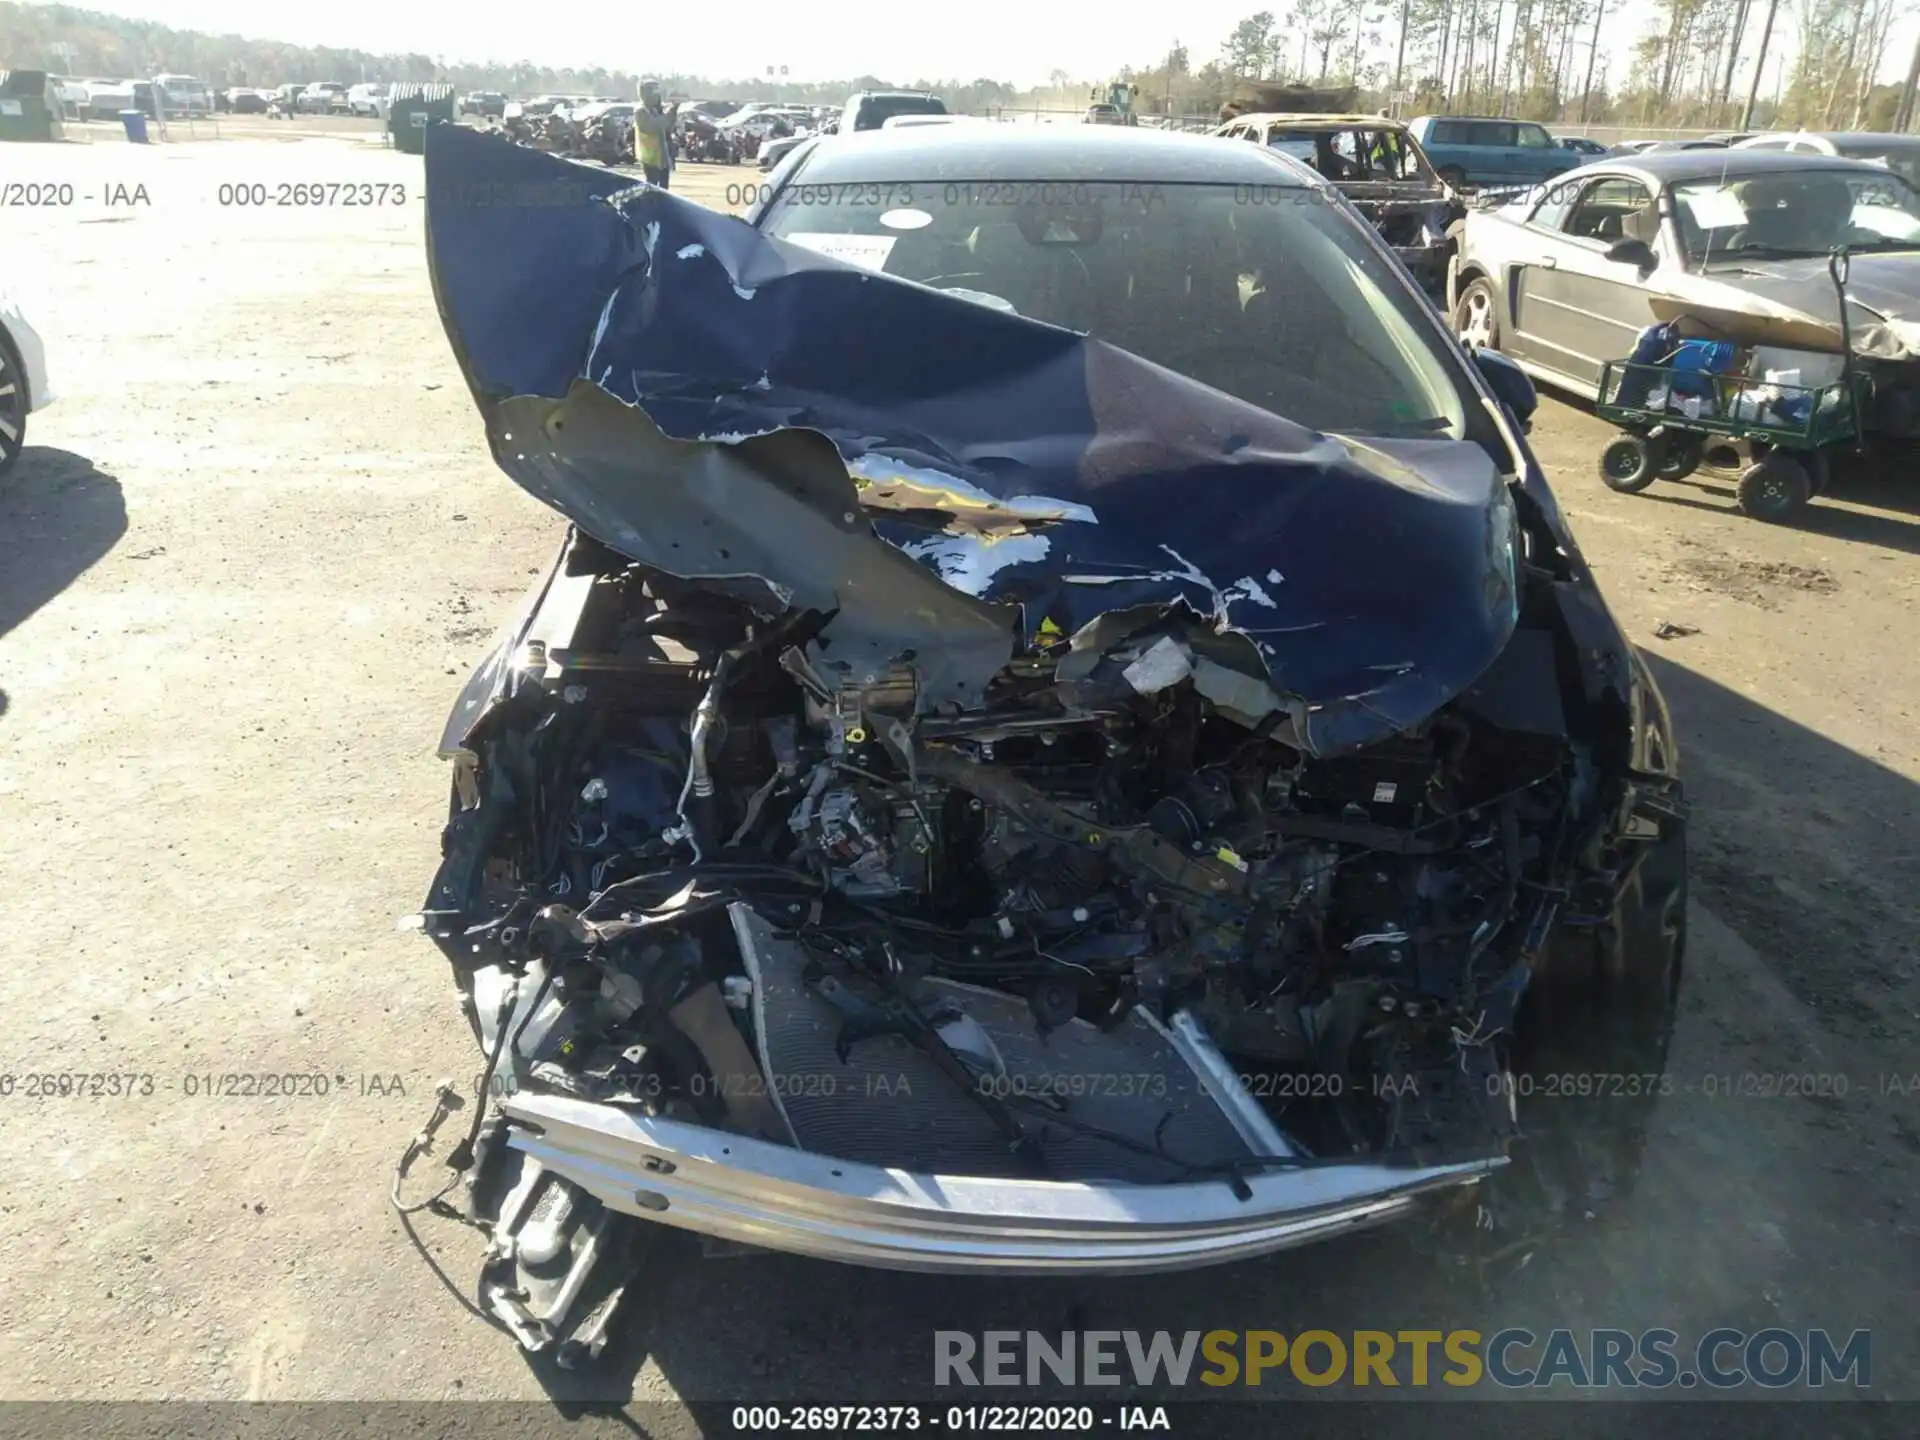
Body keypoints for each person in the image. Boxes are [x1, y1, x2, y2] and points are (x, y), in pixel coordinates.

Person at [633, 79, 673, 190]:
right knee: (652, 189)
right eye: (654, 93)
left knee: (664, 191)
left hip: (661, 158)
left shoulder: (655, 111)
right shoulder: (641, 111)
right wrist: (669, 113)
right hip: (649, 159)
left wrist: (673, 111)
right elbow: (652, 127)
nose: (657, 97)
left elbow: (668, 127)